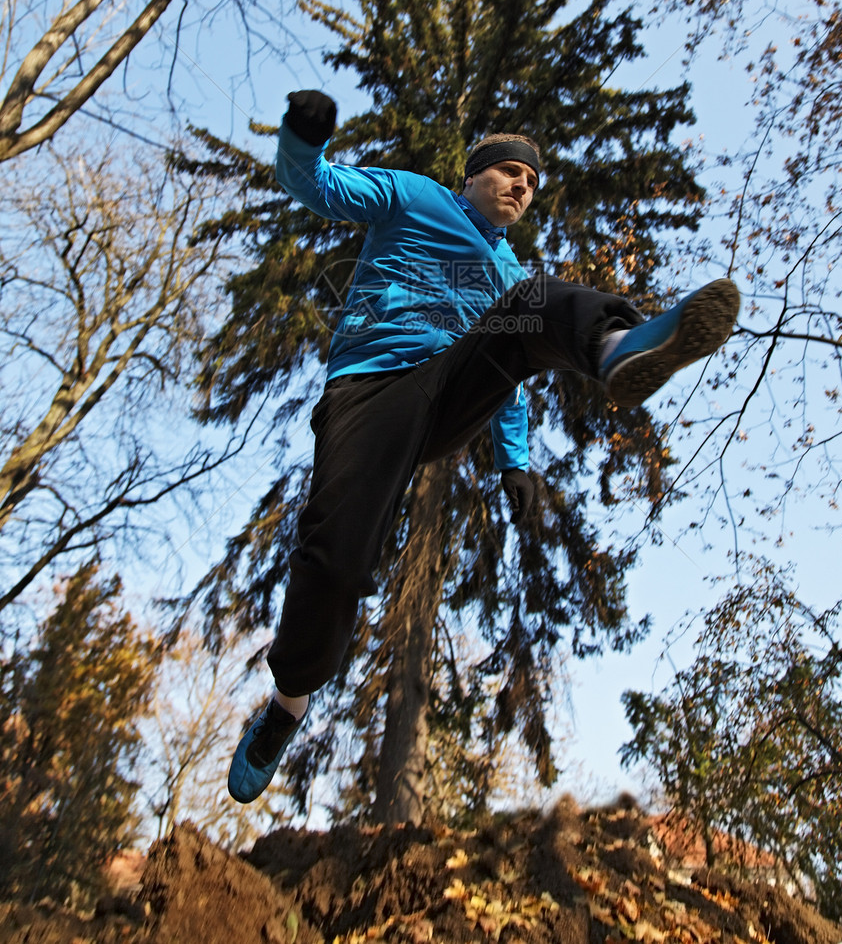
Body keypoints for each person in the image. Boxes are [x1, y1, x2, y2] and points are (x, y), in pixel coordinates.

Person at [227, 89, 740, 803]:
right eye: (510, 174)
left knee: (535, 303)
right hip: (374, 387)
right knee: (337, 561)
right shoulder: (412, 198)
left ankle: (618, 344)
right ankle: (286, 708)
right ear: (473, 175)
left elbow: (516, 380)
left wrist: (516, 461)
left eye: (531, 184)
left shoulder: (505, 276)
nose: (522, 188)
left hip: (454, 395)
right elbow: (314, 186)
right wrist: (301, 140)